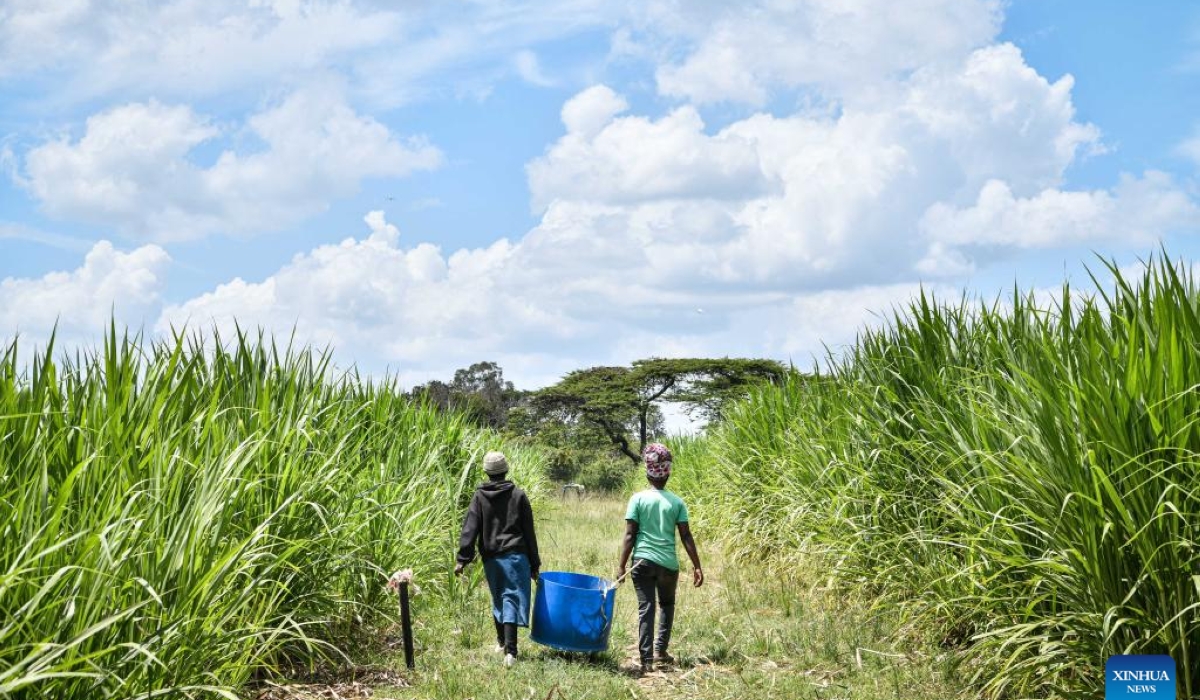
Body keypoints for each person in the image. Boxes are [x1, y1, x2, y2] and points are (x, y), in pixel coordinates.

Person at [616, 443, 703, 674]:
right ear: (668, 472)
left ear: (648, 471)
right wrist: (697, 566)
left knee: (646, 608)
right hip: (668, 565)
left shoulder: (638, 499)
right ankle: (660, 652)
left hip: (641, 562)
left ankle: (646, 660)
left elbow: (630, 535)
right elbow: (686, 536)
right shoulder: (677, 502)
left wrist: (621, 565)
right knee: (666, 605)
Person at [454, 451, 541, 667]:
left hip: (491, 557)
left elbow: (470, 529)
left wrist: (463, 558)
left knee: (498, 596)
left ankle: (502, 642)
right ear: (506, 470)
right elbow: (529, 532)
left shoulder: (479, 497)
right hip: (516, 556)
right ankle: (510, 651)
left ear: (486, 472)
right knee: (511, 597)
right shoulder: (518, 495)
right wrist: (534, 563)